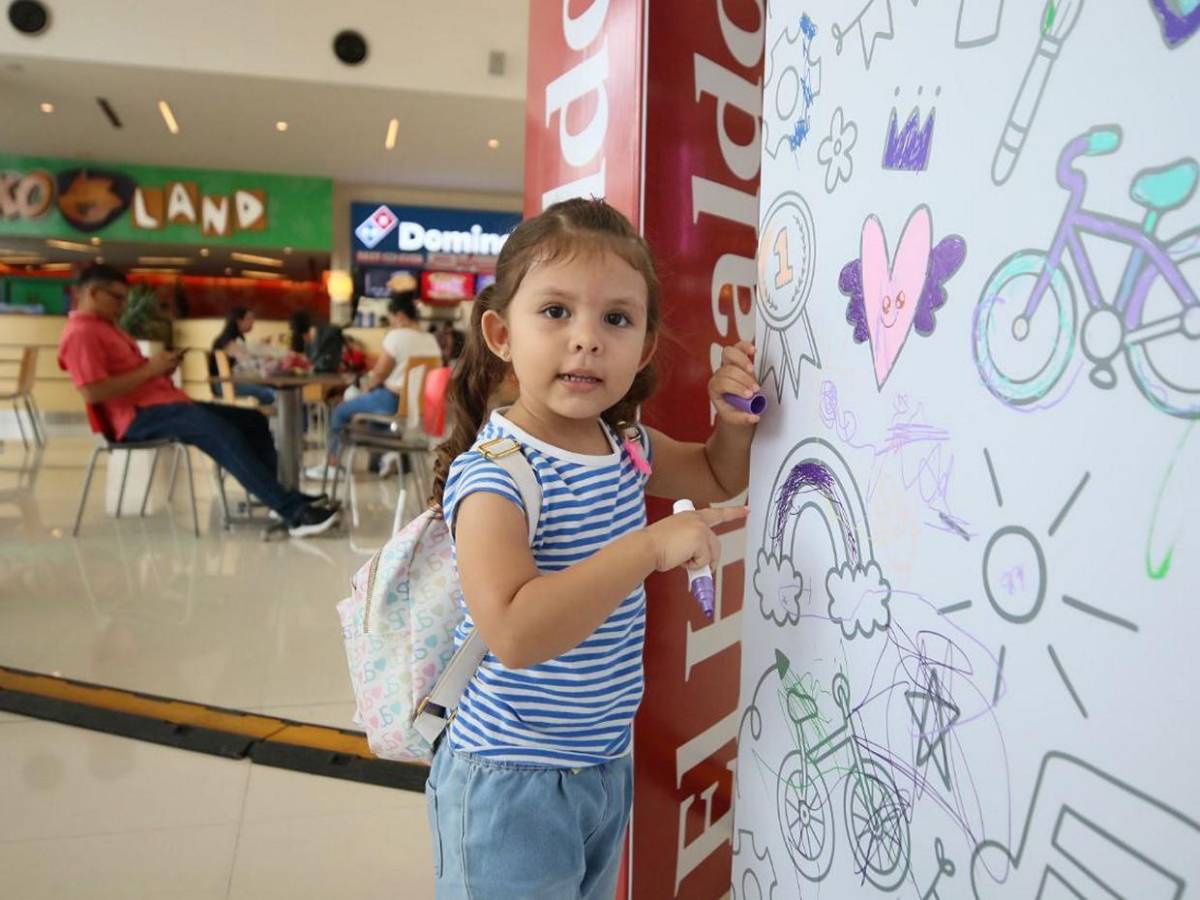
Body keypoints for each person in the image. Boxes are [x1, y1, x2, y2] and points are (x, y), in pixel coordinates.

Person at [424, 198, 757, 898]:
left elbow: (721, 475)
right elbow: (513, 631)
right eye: (555, 312)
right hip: (507, 779)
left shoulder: (625, 445)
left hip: (601, 764)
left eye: (616, 319)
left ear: (644, 344)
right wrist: (646, 548)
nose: (587, 339)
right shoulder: (496, 474)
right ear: (500, 333)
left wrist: (732, 421)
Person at [58, 264, 339, 538]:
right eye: (117, 298)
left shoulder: (107, 327)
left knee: (252, 420)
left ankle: (277, 497)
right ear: (93, 293)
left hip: (165, 405)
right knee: (219, 431)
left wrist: (159, 368)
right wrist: (150, 370)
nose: (122, 306)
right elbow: (93, 392)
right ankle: (293, 512)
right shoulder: (82, 332)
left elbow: (131, 373)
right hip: (138, 417)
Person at [304, 287, 441, 480]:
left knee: (341, 411)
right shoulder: (431, 340)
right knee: (371, 412)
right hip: (418, 408)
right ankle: (388, 455)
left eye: (392, 318)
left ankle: (333, 464)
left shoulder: (397, 336)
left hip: (391, 399)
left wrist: (365, 386)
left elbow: (378, 375)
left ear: (400, 315)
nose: (392, 323)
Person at [209, 306, 275, 405]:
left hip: (231, 381)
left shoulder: (236, 338)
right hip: (223, 385)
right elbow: (247, 363)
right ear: (238, 321)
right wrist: (267, 359)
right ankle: (264, 419)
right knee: (269, 393)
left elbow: (246, 361)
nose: (253, 322)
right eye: (249, 318)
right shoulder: (228, 341)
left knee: (272, 389)